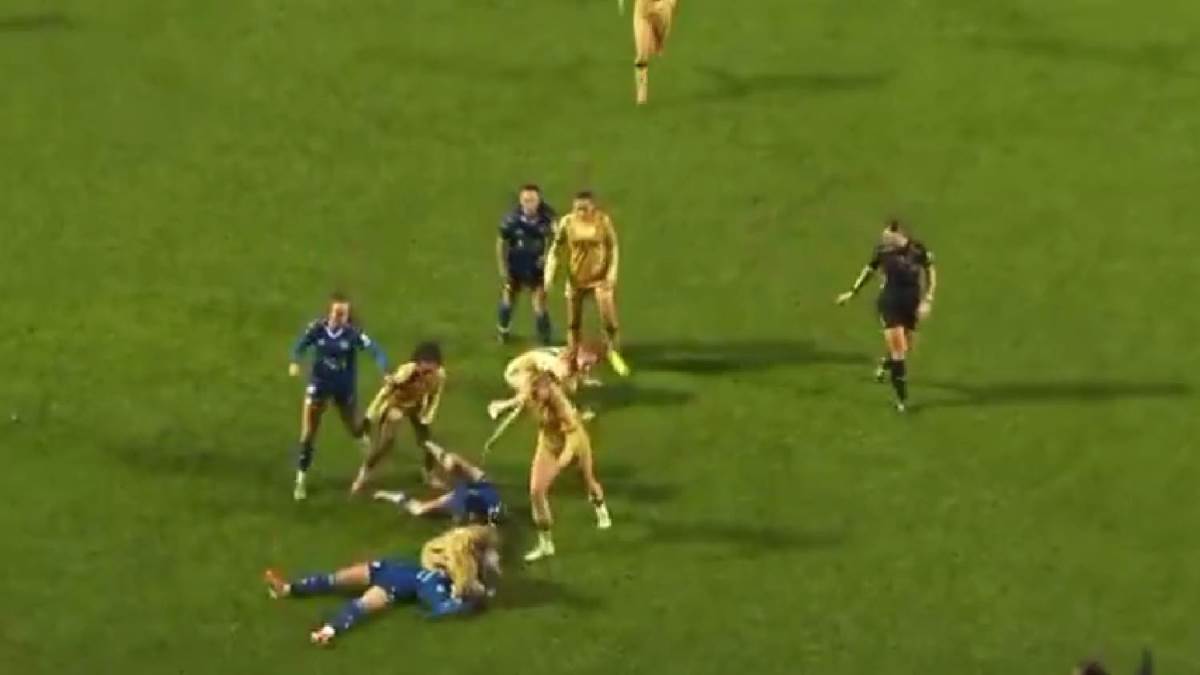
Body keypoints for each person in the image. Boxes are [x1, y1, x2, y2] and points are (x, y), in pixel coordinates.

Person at [263, 534, 498, 646]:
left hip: (394, 586)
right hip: (388, 568)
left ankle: (327, 631)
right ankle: (288, 589)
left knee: (360, 605)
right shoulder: (439, 561)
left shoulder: (435, 584)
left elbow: (444, 607)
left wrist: (473, 601)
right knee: (334, 579)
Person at [288, 293, 389, 501]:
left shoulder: (353, 334)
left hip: (343, 388)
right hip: (319, 386)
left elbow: (376, 350)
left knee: (353, 427)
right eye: (337, 312)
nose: (340, 317)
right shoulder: (317, 328)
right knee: (308, 434)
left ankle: (368, 453)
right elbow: (300, 345)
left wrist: (384, 369)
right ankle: (300, 481)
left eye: (344, 314)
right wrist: (295, 361)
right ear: (330, 312)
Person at [836, 219, 937, 412]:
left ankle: (885, 363)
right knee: (899, 353)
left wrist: (928, 298)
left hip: (911, 303)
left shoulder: (917, 249)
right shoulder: (883, 251)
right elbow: (869, 270)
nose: (885, 239)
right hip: (890, 303)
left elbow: (930, 269)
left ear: (900, 234)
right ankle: (902, 400)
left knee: (905, 346)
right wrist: (852, 292)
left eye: (889, 236)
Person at [522, 372, 611, 562]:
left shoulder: (562, 406)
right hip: (547, 445)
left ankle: (601, 508)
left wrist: (565, 458)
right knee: (536, 491)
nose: (534, 395)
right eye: (533, 391)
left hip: (575, 443)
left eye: (538, 391)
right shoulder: (532, 395)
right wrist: (502, 406)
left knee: (587, 480)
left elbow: (572, 436)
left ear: (549, 389)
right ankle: (546, 544)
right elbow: (519, 402)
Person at [544, 191, 630, 376]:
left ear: (593, 207)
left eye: (585, 208)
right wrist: (549, 273)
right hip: (576, 279)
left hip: (600, 278)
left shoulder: (603, 221)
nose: (581, 212)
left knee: (608, 319)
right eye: (577, 208)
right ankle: (573, 354)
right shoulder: (567, 222)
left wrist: (612, 272)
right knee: (573, 322)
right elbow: (556, 248)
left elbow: (613, 246)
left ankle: (614, 351)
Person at [351, 342, 445, 494]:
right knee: (386, 443)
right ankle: (363, 475)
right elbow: (385, 392)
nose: (427, 370)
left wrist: (427, 417)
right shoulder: (406, 372)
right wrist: (370, 415)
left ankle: (429, 475)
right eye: (424, 365)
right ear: (417, 363)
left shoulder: (439, 376)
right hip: (396, 405)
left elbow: (435, 396)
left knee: (428, 443)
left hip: (416, 406)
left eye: (431, 366)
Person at [374, 441, 504, 524]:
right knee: (452, 462)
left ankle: (396, 497)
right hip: (476, 489)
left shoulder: (459, 500)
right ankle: (430, 446)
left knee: (419, 510)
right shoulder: (485, 492)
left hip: (469, 495)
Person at [497, 184, 557, 344]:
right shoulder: (511, 220)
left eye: (532, 200)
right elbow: (501, 243)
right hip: (515, 265)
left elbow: (555, 240)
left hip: (536, 268)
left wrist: (547, 257)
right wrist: (503, 267)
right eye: (526, 200)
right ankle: (503, 331)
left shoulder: (548, 218)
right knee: (509, 298)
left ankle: (545, 339)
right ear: (520, 201)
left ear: (539, 201)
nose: (529, 204)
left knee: (539, 304)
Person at [486, 342, 602, 421]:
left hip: (535, 370)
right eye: (586, 364)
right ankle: (498, 406)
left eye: (591, 365)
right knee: (537, 394)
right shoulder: (560, 367)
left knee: (570, 386)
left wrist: (583, 380)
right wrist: (573, 412)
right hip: (517, 372)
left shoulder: (570, 355)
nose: (588, 369)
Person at [632, 0, 680, 105]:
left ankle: (658, 41)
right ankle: (641, 95)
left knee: (658, 44)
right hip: (643, 7)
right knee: (642, 55)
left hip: (663, 5)